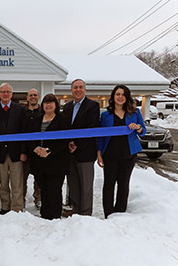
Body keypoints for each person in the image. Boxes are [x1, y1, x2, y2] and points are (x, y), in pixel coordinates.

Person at [97, 85, 146, 218]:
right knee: (109, 184)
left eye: (123, 94)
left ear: (127, 97)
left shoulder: (135, 113)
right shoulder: (106, 115)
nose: (120, 97)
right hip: (110, 154)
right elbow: (101, 135)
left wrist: (138, 128)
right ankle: (108, 213)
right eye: (118, 94)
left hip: (129, 154)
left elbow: (143, 131)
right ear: (113, 96)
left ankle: (120, 213)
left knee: (123, 184)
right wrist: (99, 152)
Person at [27, 94, 71, 220]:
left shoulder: (63, 120)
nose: (48, 105)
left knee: (54, 189)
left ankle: (55, 215)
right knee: (44, 189)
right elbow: (29, 137)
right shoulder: (36, 119)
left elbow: (65, 140)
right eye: (46, 102)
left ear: (56, 105)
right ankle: (45, 214)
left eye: (51, 102)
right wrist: (35, 148)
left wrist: (49, 150)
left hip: (56, 161)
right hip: (39, 160)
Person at [62, 79, 100, 216]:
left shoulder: (93, 106)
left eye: (80, 87)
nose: (78, 90)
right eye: (75, 87)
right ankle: (76, 210)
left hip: (85, 151)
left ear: (84, 89)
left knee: (86, 185)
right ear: (71, 90)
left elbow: (92, 128)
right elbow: (65, 128)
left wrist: (77, 144)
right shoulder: (67, 108)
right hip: (70, 152)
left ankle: (85, 213)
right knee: (73, 183)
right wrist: (69, 143)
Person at [0, 83, 27, 214]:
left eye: (8, 92)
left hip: (16, 153)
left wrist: (23, 151)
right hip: (0, 153)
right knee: (3, 183)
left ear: (12, 94)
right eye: (3, 92)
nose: (5, 94)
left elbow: (24, 132)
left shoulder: (20, 110)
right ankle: (5, 207)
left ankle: (17, 208)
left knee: (17, 183)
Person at [22, 88, 43, 209]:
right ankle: (22, 200)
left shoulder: (43, 111)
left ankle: (38, 198)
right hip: (25, 150)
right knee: (22, 178)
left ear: (38, 97)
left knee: (39, 178)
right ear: (27, 97)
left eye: (35, 95)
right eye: (30, 95)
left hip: (39, 150)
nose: (33, 97)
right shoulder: (22, 112)